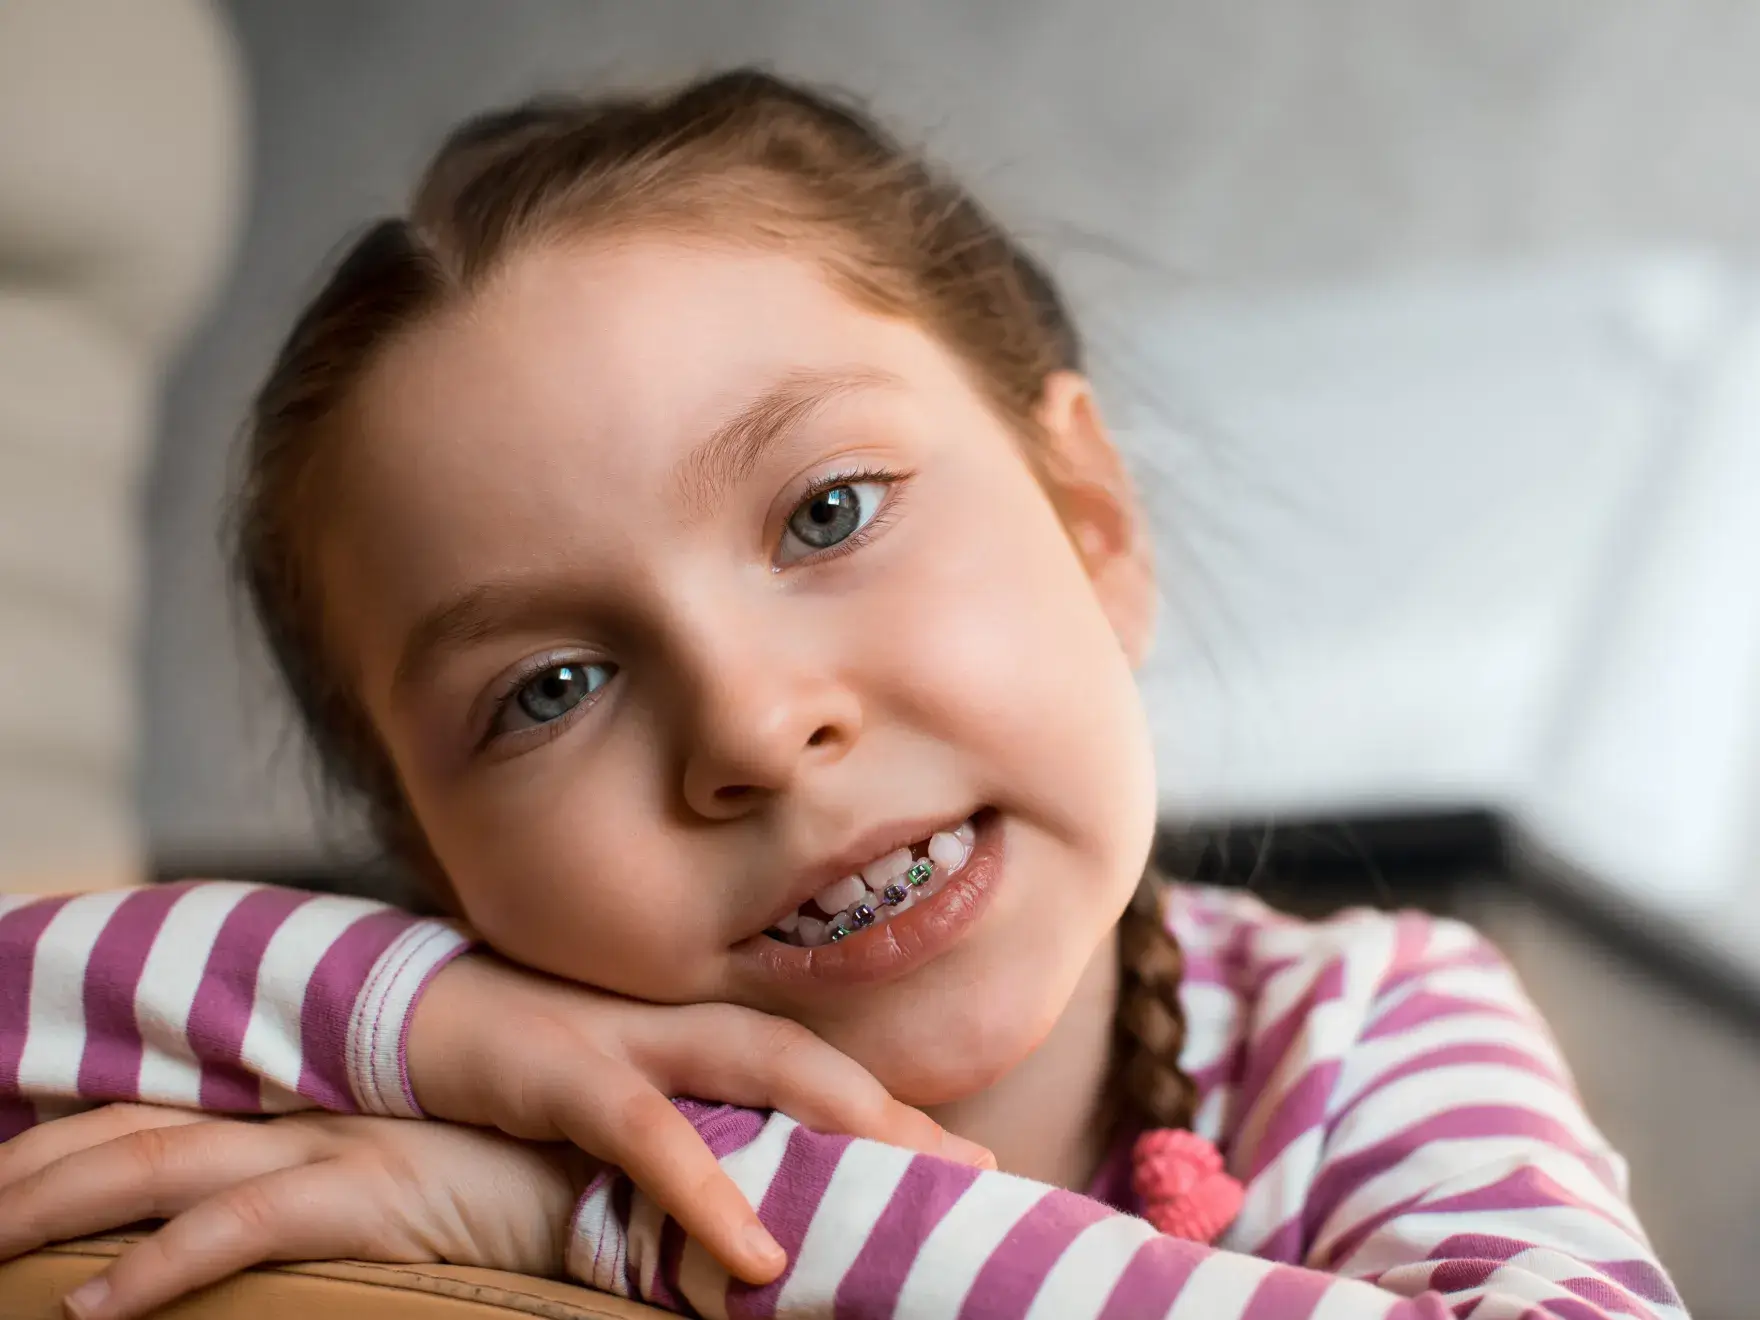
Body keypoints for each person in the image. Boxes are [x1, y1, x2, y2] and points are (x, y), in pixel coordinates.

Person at [0, 70, 1684, 1320]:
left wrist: (619, 1209)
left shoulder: (1369, 1026)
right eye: (554, 687)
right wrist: (461, 1032)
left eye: (828, 512)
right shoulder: (401, 1059)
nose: (746, 725)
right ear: (444, 866)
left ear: (1091, 525)